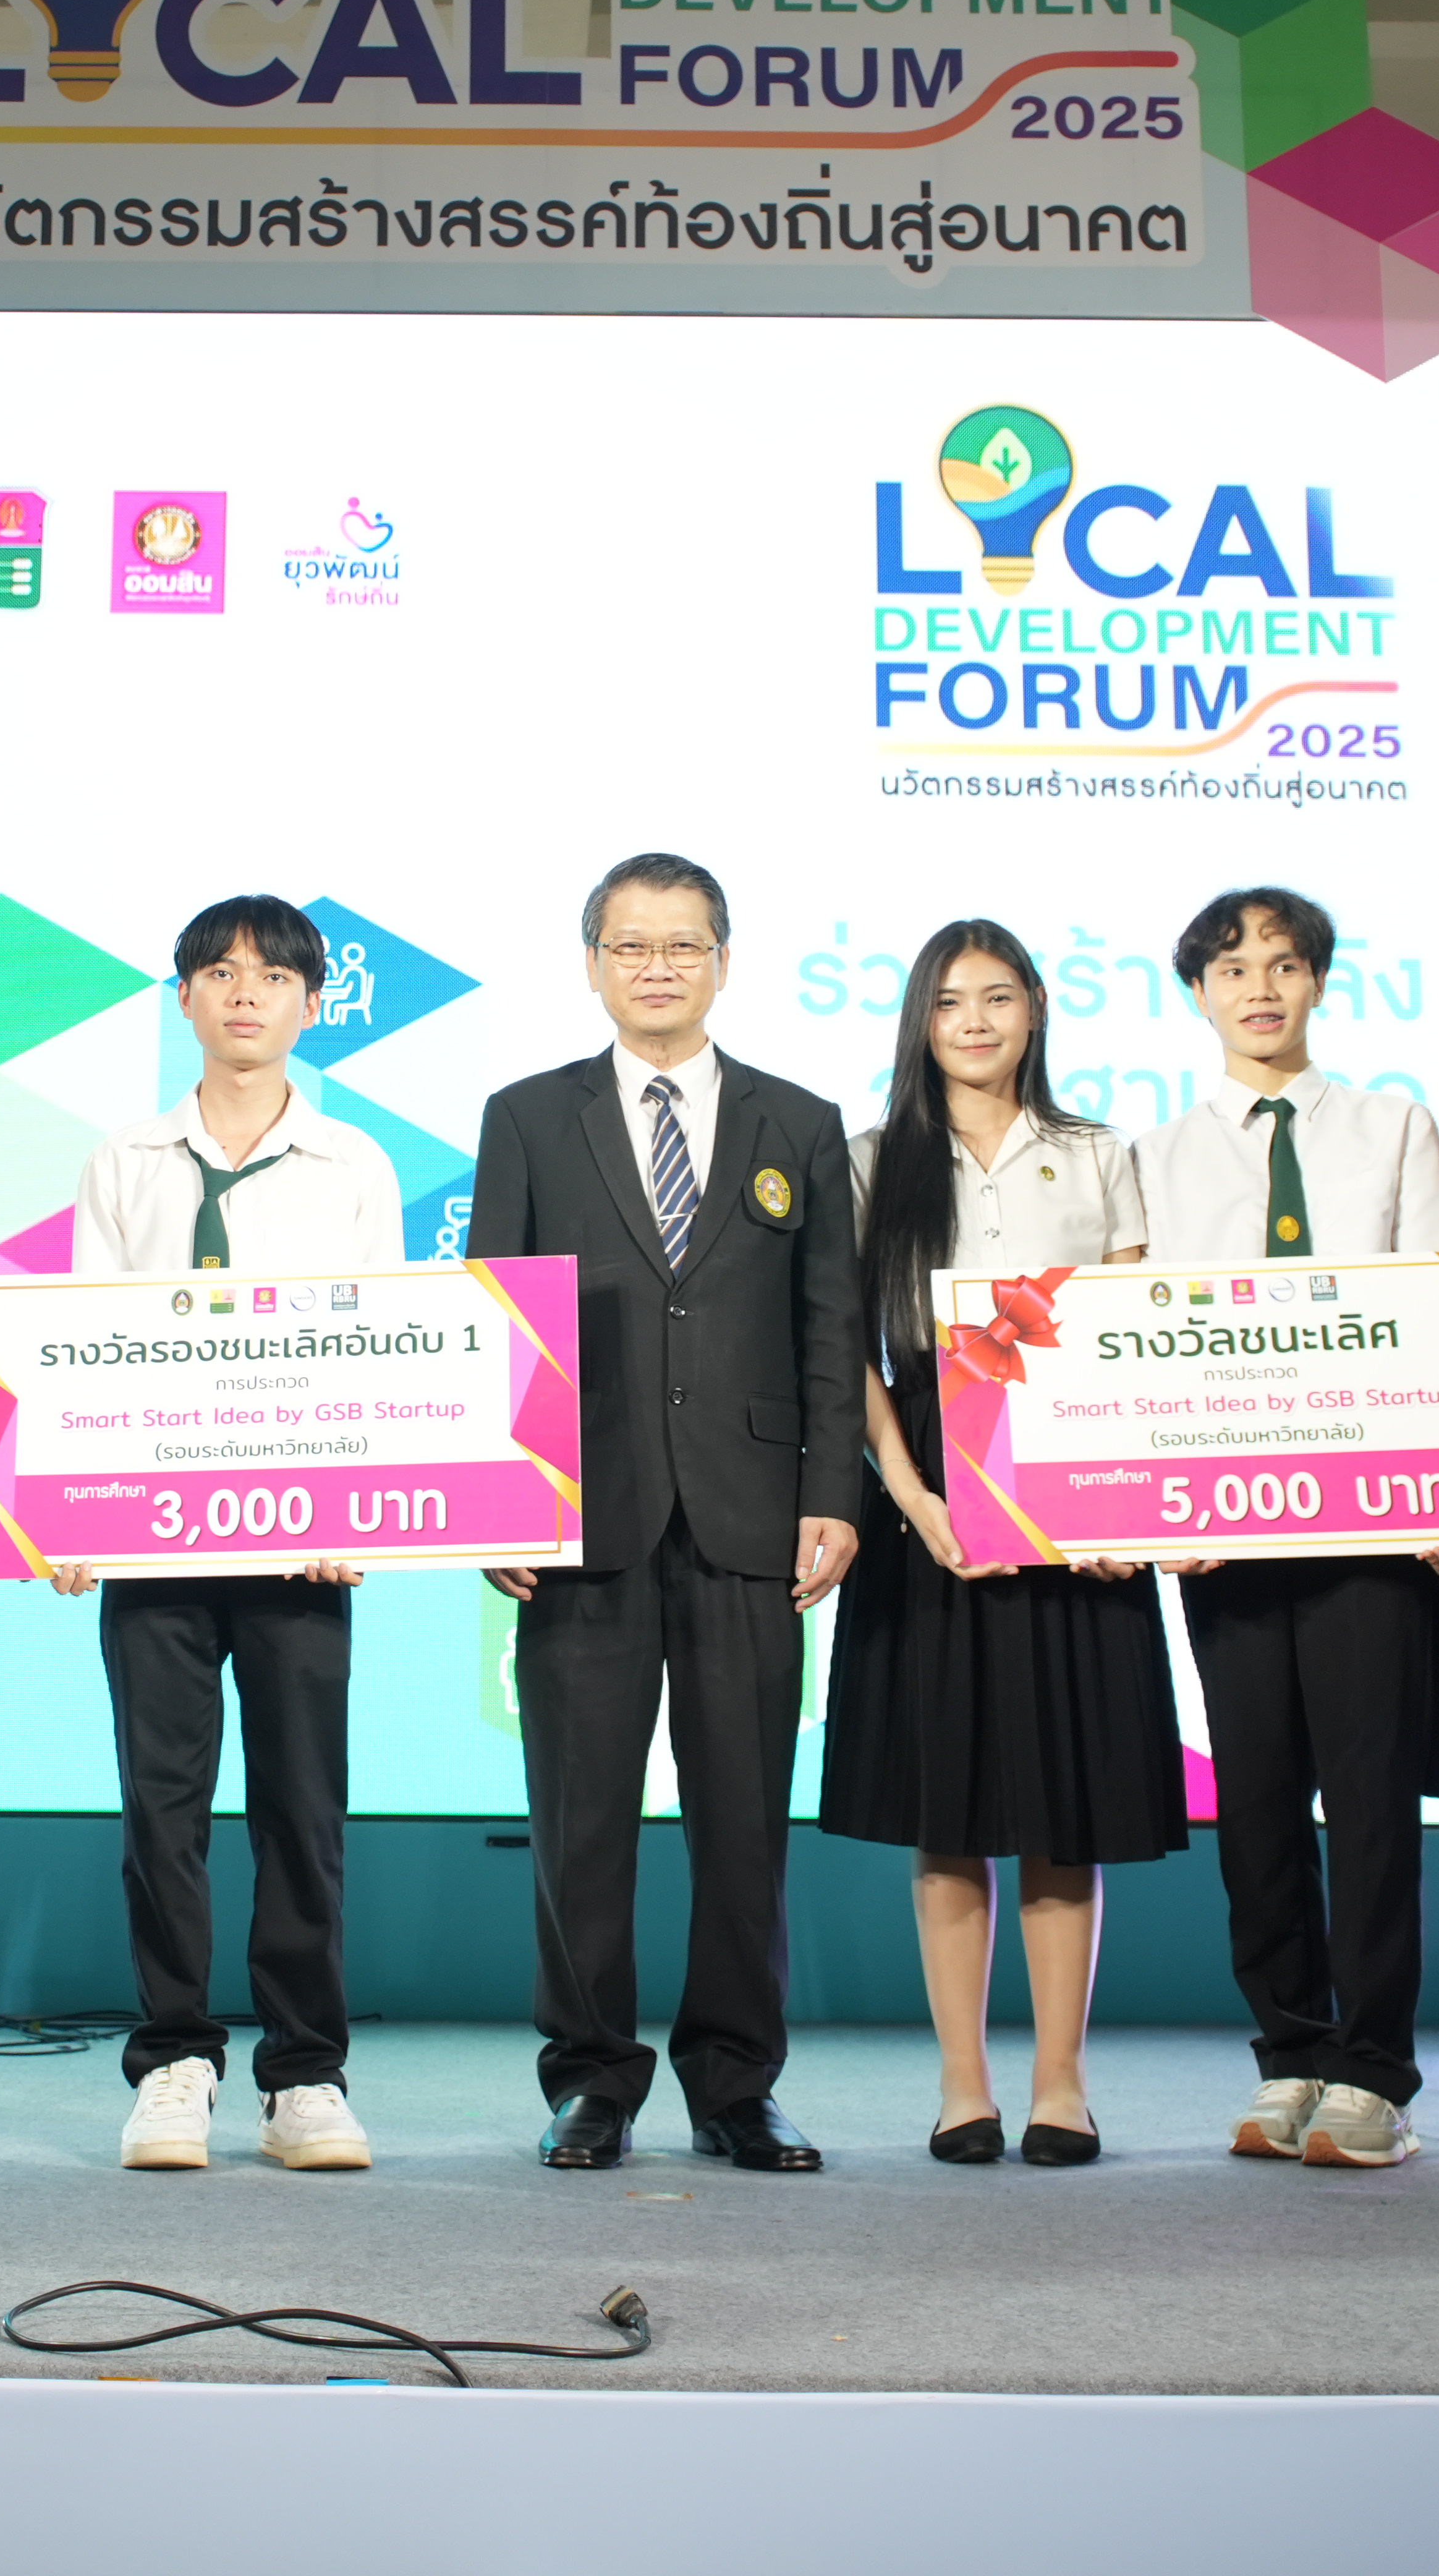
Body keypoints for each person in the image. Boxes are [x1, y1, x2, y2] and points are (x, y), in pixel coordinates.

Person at [469, 852, 863, 2176]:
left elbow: (829, 1324)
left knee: (744, 1822)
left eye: (682, 944)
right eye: (631, 945)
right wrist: (500, 1499)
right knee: (579, 1820)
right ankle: (591, 2079)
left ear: (724, 962)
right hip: (582, 1518)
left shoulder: (800, 1122)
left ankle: (736, 2085)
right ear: (592, 964)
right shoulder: (529, 1116)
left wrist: (832, 1493)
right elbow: (493, 1318)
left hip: (752, 1519)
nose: (657, 966)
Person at [49, 897, 401, 2175]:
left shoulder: (353, 1164)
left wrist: (355, 1509)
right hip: (154, 1541)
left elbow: (381, 1344)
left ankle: (306, 2071)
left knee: (303, 1810)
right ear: (184, 996)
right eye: (219, 971)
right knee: (163, 1808)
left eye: (272, 974)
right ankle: (175, 2058)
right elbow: (83, 1338)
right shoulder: (125, 1160)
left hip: (304, 1542)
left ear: (312, 1002)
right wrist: (70, 1506)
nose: (245, 992)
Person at [825, 920, 1184, 2167]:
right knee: (949, 1805)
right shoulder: (870, 1162)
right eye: (948, 1001)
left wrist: (1120, 1506)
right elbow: (845, 1355)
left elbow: (1134, 1336)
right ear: (918, 1021)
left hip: (1077, 1483)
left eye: (995, 997)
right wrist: (911, 1496)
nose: (972, 1022)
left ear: (1035, 1007)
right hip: (928, 1487)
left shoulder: (1096, 1153)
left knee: (1064, 1802)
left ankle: (1063, 2084)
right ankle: (963, 2084)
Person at [1131, 885, 1439, 2172]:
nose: (1258, 987)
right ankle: (1292, 2053)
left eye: (1282, 963)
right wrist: (1159, 1504)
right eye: (1231, 967)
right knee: (1258, 1802)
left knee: (1373, 1801)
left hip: (1373, 1521)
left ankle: (1376, 2072)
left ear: (1319, 980)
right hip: (1225, 1529)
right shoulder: (1155, 1155)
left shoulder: (1393, 1127)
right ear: (1197, 994)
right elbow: (1139, 1338)